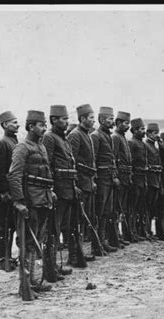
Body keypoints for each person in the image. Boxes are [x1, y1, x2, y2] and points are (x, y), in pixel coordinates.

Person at [8, 110, 54, 299]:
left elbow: (46, 173)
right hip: (30, 202)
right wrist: (18, 201)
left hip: (43, 200)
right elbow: (14, 175)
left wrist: (51, 192)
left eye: (44, 124)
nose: (44, 128)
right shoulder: (22, 148)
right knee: (27, 242)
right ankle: (24, 285)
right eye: (41, 125)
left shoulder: (41, 147)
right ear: (30, 126)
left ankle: (33, 281)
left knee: (37, 241)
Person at [43, 105, 89, 276]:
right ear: (54, 120)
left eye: (67, 119)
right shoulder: (49, 138)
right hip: (58, 192)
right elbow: (46, 165)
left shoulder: (62, 139)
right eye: (63, 119)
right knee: (53, 230)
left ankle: (56, 265)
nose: (67, 122)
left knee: (66, 227)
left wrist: (74, 186)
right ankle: (50, 268)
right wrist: (50, 188)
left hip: (68, 190)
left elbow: (70, 164)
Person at [67, 104, 104, 257]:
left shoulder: (87, 134)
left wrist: (93, 181)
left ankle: (82, 251)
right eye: (91, 118)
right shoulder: (75, 135)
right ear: (82, 119)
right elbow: (72, 161)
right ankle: (76, 253)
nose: (94, 121)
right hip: (80, 182)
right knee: (77, 220)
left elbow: (92, 160)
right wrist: (75, 184)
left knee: (86, 218)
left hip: (88, 182)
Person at [90, 107, 120, 252]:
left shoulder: (107, 135)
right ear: (101, 120)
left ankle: (102, 241)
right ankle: (97, 244)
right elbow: (93, 158)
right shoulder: (96, 136)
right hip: (101, 179)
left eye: (113, 118)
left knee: (106, 211)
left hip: (109, 179)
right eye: (110, 119)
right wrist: (94, 179)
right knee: (99, 211)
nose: (112, 121)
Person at [0, 111, 19, 272]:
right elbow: (0, 169)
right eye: (14, 122)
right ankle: (3, 259)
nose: (17, 125)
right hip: (6, 192)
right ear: (5, 125)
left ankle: (9, 257)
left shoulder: (14, 141)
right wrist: (3, 191)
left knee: (12, 225)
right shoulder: (2, 143)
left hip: (14, 191)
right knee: (3, 225)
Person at [111, 111, 133, 244]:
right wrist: (115, 176)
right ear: (118, 123)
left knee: (121, 208)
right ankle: (115, 236)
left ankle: (118, 236)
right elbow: (112, 158)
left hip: (126, 178)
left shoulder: (123, 137)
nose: (128, 126)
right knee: (116, 208)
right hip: (119, 178)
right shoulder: (115, 137)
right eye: (126, 123)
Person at [128, 118, 148, 240]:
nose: (143, 131)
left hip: (142, 178)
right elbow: (130, 161)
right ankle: (131, 232)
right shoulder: (132, 143)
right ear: (134, 130)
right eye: (141, 129)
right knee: (132, 208)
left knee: (140, 207)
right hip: (135, 178)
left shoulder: (142, 144)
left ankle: (139, 232)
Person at [144, 123, 163, 240]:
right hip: (149, 179)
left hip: (156, 180)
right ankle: (146, 231)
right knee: (146, 207)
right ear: (148, 133)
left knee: (152, 208)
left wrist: (161, 146)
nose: (157, 135)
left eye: (158, 133)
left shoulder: (155, 147)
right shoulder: (146, 145)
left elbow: (163, 160)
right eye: (155, 133)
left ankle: (149, 231)